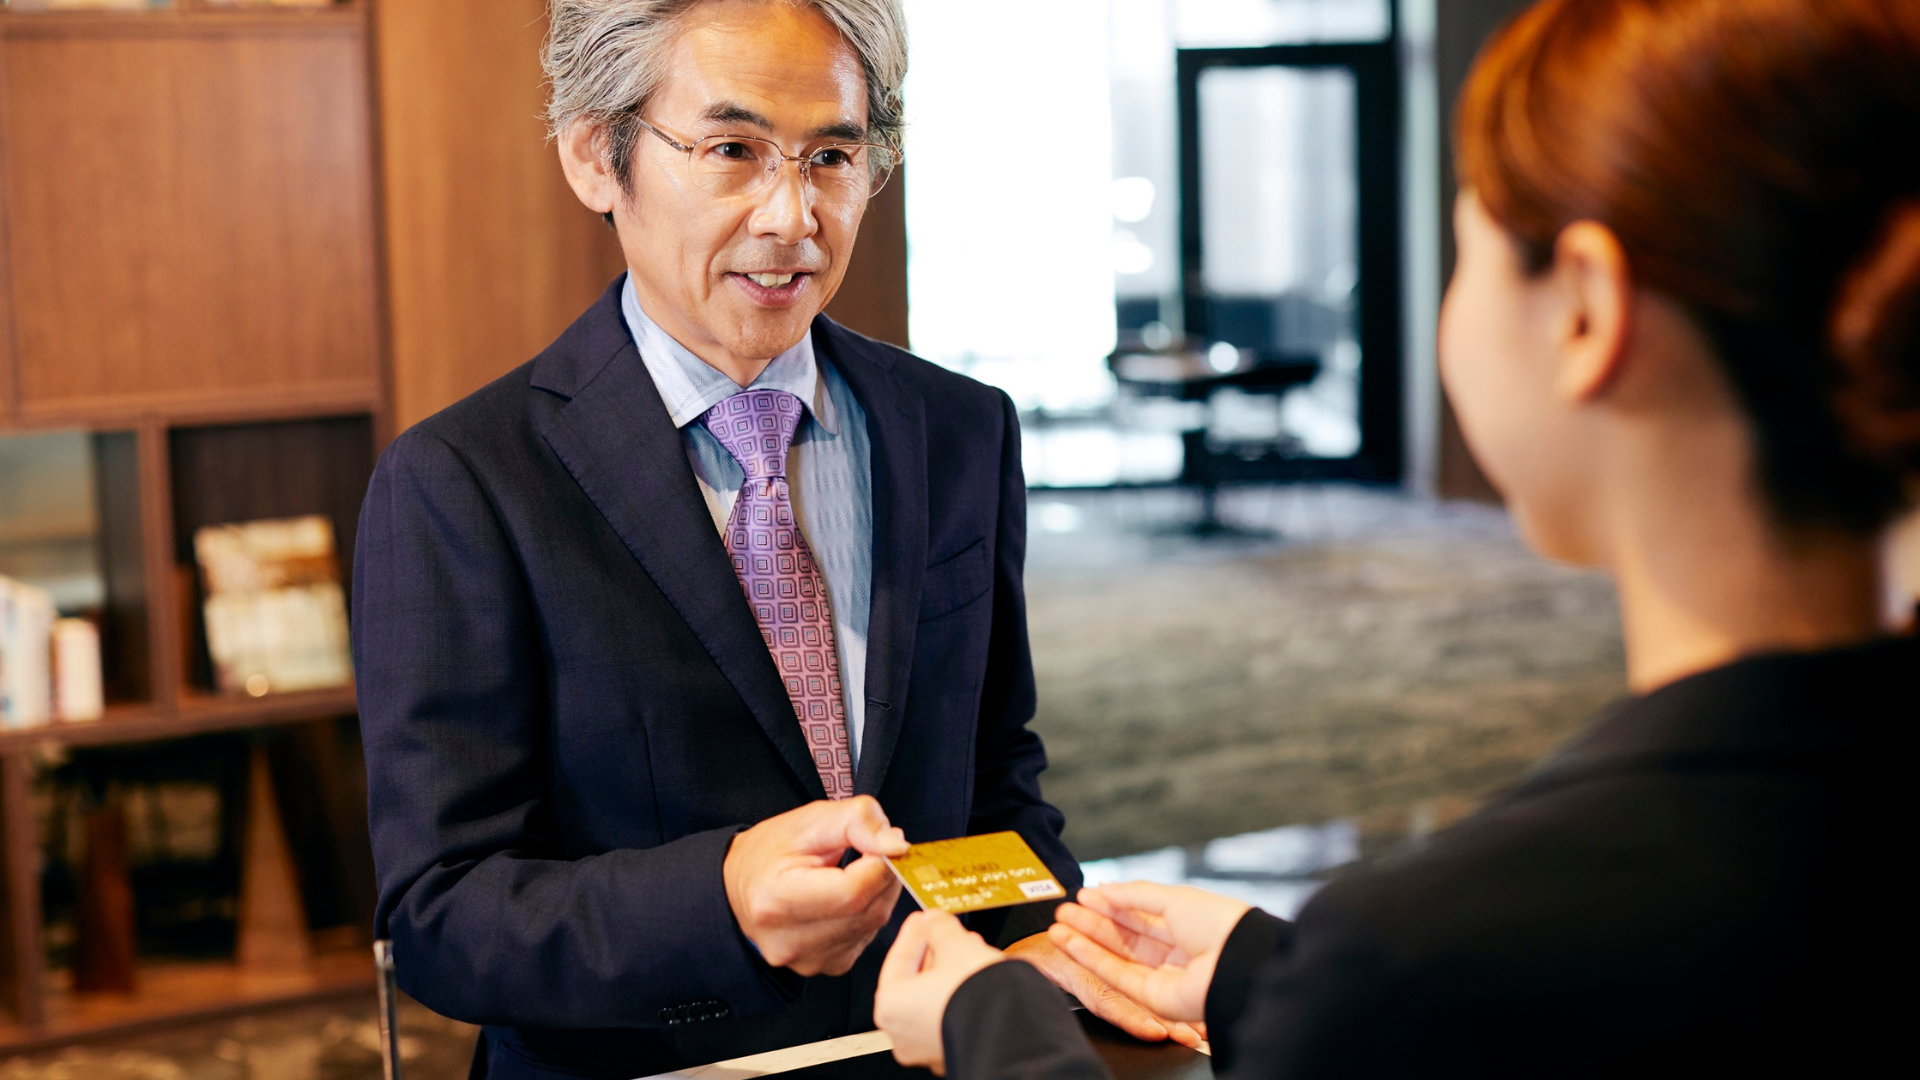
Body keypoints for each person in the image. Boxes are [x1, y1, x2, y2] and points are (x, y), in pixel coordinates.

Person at [872, 0, 1920, 1074]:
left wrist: (989, 1024)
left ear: (1585, 316)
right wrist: (1268, 977)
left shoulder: (1430, 956)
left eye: (1464, 248)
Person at [352, 2, 1189, 1078]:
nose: (793, 215)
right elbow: (442, 913)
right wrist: (722, 902)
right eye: (733, 150)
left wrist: (1053, 948)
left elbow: (996, 788)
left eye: (832, 155)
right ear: (594, 157)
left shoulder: (959, 431)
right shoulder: (461, 484)